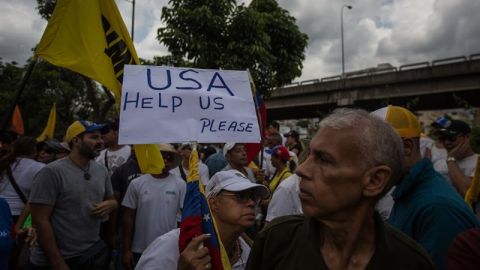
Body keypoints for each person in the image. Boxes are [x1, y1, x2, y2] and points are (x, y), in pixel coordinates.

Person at [246, 108, 434, 270]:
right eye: (310, 155)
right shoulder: (276, 241)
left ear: (375, 180)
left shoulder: (411, 262)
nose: (302, 169)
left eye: (324, 159)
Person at [372, 105, 479, 270]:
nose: (363, 162)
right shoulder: (405, 192)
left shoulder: (438, 208)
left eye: (372, 151)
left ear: (406, 148)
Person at [135, 170, 270, 270]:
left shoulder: (247, 250)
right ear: (213, 203)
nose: (251, 203)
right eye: (240, 196)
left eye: (253, 198)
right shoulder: (169, 247)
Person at [28, 120, 117, 270]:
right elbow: (40, 220)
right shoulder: (51, 172)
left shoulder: (102, 171)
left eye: (101, 137)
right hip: (54, 261)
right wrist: (57, 262)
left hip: (90, 255)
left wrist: (112, 204)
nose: (101, 142)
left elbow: (112, 200)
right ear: (76, 140)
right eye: (94, 137)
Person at [121, 144, 185, 270]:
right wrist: (126, 250)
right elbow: (128, 217)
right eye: (162, 157)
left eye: (169, 158)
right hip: (140, 248)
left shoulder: (180, 184)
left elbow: (182, 219)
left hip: (168, 249)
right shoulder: (137, 183)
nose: (165, 161)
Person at [434, 120, 478, 197]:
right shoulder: (438, 164)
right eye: (443, 138)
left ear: (467, 137)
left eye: (451, 138)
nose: (446, 142)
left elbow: (468, 191)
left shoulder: (478, 161)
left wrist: (451, 159)